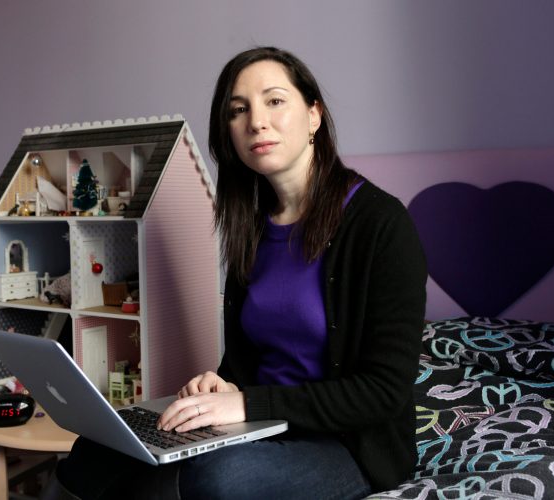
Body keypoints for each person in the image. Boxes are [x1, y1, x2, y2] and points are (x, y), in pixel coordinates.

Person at [52, 46, 427, 499]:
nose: (256, 121)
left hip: (346, 443)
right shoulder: (251, 226)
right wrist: (221, 383)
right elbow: (248, 360)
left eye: (274, 101)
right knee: (98, 450)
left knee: (216, 481)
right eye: (238, 110)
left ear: (314, 116)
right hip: (261, 423)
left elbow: (382, 391)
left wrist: (245, 402)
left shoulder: (382, 224)